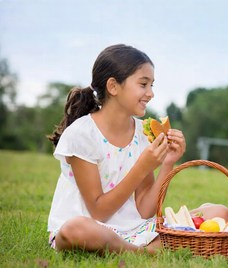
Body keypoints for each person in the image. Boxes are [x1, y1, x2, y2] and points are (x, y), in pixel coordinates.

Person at [47, 44, 186, 254]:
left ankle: (132, 247)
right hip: (90, 227)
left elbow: (145, 210)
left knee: (215, 211)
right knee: (75, 230)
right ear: (113, 86)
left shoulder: (142, 134)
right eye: (143, 84)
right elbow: (98, 212)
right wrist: (142, 166)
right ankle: (142, 251)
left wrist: (168, 163)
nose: (151, 94)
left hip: (132, 229)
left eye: (152, 85)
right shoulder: (82, 135)